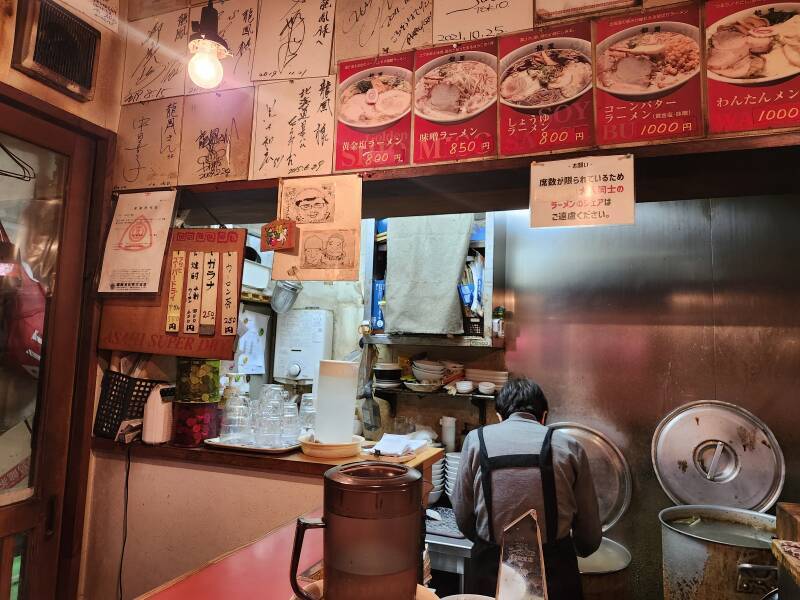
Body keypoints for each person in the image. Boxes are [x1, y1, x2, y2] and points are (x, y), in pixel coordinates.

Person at [451, 377, 602, 599]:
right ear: (544, 417)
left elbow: (462, 514)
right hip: (556, 576)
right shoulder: (569, 447)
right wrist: (580, 549)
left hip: (489, 573)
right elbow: (589, 532)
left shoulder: (476, 441)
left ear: (500, 417)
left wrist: (489, 544)